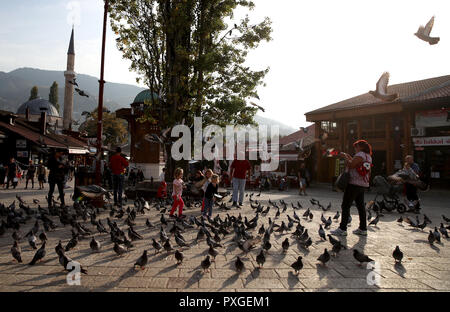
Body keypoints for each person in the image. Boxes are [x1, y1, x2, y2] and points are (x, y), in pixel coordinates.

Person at [331, 140, 373, 237]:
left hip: (354, 183)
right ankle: (363, 228)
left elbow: (351, 164)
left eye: (356, 146)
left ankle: (342, 229)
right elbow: (355, 163)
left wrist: (345, 157)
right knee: (361, 206)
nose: (355, 148)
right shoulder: (368, 156)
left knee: (345, 205)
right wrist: (349, 157)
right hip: (362, 184)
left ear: (361, 147)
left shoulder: (360, 154)